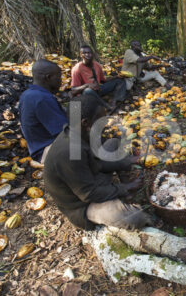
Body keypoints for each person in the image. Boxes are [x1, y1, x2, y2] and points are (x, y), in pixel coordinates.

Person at [44, 94, 155, 230]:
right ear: (86, 123)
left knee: (113, 143)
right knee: (134, 217)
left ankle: (123, 192)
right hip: (81, 205)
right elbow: (88, 194)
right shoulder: (71, 153)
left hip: (90, 177)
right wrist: (125, 188)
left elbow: (98, 163)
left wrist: (127, 162)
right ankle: (124, 197)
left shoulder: (79, 133)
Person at [19, 59, 68, 163]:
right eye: (59, 77)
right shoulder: (43, 99)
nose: (61, 81)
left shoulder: (27, 94)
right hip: (47, 152)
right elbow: (64, 133)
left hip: (37, 148)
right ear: (48, 78)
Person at [71, 45, 127, 110]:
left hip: (99, 90)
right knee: (88, 91)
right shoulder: (77, 69)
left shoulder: (97, 65)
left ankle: (114, 102)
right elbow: (73, 90)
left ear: (92, 54)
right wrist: (87, 85)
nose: (87, 55)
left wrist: (116, 77)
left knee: (120, 81)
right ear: (81, 55)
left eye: (89, 53)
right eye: (84, 53)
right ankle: (106, 106)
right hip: (87, 94)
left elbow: (103, 80)